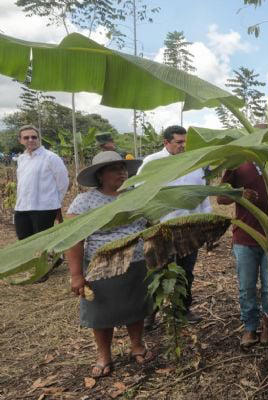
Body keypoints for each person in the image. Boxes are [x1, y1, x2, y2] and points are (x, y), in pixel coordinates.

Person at [66, 151, 154, 378]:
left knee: (136, 307)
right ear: (100, 175)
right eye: (115, 168)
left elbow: (152, 226)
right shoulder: (85, 201)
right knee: (101, 313)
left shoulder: (138, 196)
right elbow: (74, 240)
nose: (122, 172)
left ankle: (137, 345)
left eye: (123, 168)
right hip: (100, 267)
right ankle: (104, 355)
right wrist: (76, 274)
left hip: (135, 263)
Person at [139, 125, 212, 326]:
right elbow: (140, 193)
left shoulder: (194, 164)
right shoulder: (151, 163)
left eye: (184, 141)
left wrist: (207, 225)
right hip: (161, 228)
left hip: (189, 228)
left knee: (186, 271)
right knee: (157, 271)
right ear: (166, 142)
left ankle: (182, 310)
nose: (183, 145)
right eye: (179, 142)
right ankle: (150, 314)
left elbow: (202, 196)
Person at [217, 162, 268, 348]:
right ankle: (250, 327)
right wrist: (240, 194)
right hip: (245, 236)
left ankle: (267, 325)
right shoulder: (237, 162)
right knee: (247, 287)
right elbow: (220, 198)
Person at [14, 125, 69, 240]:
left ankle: (54, 259)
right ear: (20, 140)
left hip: (44, 209)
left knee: (44, 245)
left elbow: (63, 183)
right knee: (24, 242)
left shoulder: (51, 158)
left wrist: (54, 203)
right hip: (22, 208)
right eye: (26, 137)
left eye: (34, 137)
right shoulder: (21, 159)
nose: (30, 140)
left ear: (39, 139)